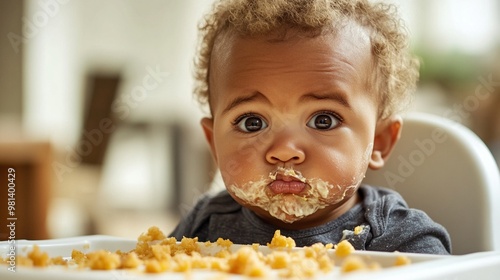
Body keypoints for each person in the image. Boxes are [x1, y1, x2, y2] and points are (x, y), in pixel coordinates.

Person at [169, 0, 451, 254]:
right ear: (214, 144)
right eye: (252, 123)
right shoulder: (203, 226)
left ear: (378, 142)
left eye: (323, 120)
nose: (284, 151)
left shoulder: (402, 243)